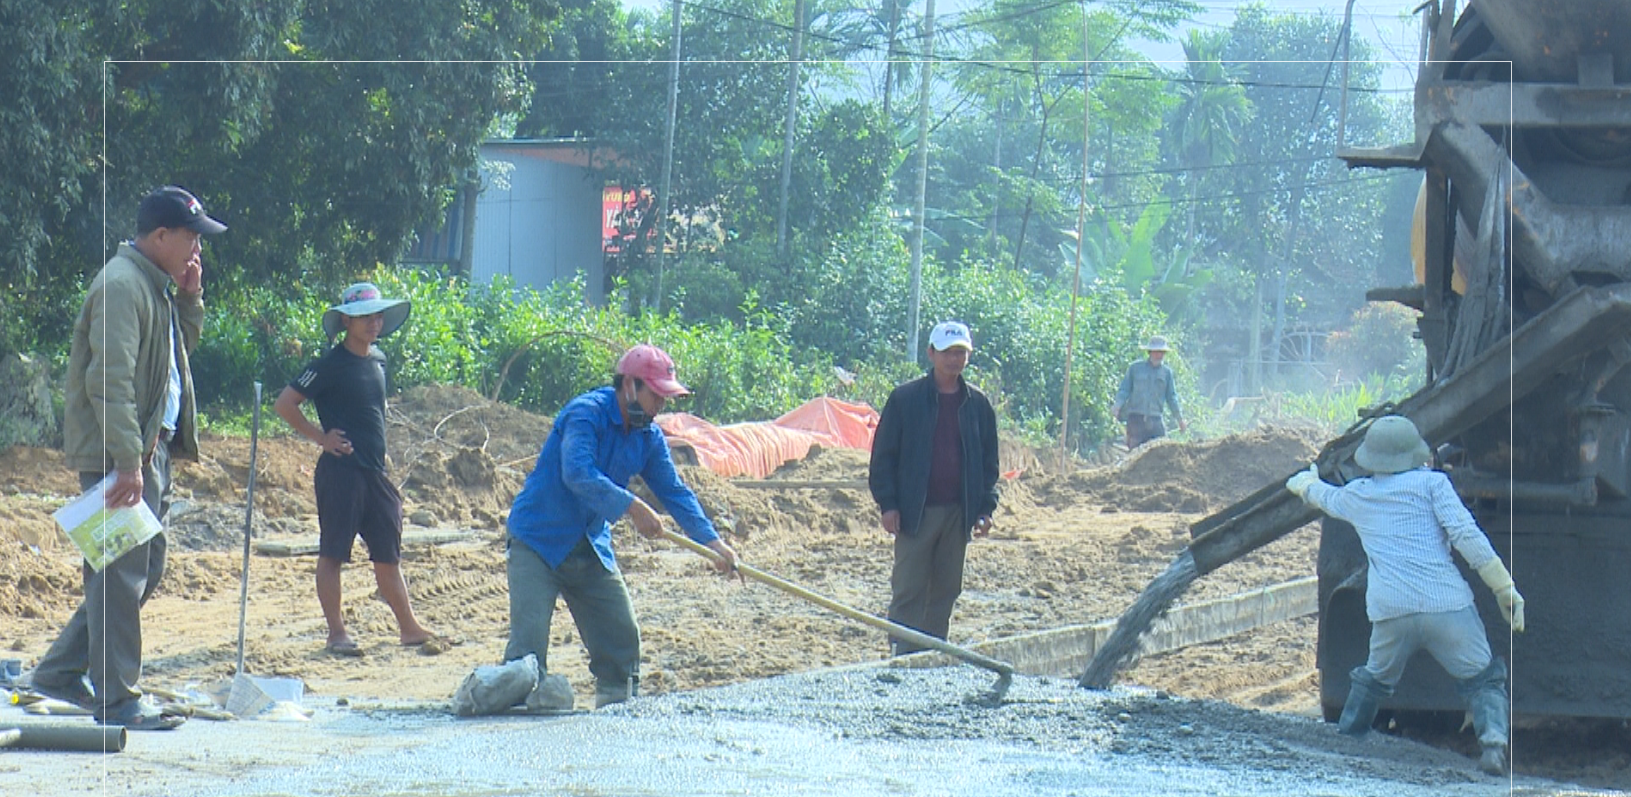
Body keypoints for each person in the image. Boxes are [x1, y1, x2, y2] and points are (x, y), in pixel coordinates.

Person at [29, 186, 227, 730]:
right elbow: (109, 383)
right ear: (160, 236)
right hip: (125, 454)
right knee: (120, 575)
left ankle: (58, 672)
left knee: (137, 568)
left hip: (145, 448)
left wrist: (189, 298)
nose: (197, 250)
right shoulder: (121, 286)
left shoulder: (153, 285)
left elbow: (174, 358)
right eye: (190, 238)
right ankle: (117, 700)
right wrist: (127, 463)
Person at [1285, 415, 1524, 775]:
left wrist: (1303, 482)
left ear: (1370, 458)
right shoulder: (1434, 485)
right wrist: (1504, 588)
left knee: (1374, 676)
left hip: (1391, 612)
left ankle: (1348, 738)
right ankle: (1492, 744)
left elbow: (1323, 496)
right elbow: (1466, 535)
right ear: (1416, 453)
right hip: (1447, 607)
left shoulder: (1358, 495)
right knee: (1483, 677)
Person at [503, 344, 739, 708]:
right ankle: (506, 715)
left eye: (665, 397)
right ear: (629, 386)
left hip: (588, 545)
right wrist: (631, 505)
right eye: (655, 395)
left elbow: (674, 491)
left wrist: (712, 542)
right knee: (527, 659)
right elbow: (577, 474)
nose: (661, 406)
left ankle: (616, 714)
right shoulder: (585, 415)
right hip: (538, 542)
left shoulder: (649, 437)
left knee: (622, 640)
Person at [274, 282, 435, 657]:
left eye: (378, 316)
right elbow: (285, 404)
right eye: (364, 317)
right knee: (333, 554)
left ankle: (409, 628)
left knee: (387, 553)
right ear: (346, 320)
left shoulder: (378, 360)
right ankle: (337, 633)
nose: (373, 323)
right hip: (340, 472)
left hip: (374, 473)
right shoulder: (328, 365)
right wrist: (320, 437)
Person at [868, 321, 1000, 655]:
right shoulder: (905, 400)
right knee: (909, 586)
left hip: (959, 511)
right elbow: (884, 457)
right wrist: (888, 504)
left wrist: (985, 508)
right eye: (947, 352)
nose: (954, 360)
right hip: (916, 510)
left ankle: (933, 652)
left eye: (960, 353)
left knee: (946, 587)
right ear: (931, 353)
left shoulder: (978, 405)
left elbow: (988, 464)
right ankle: (903, 651)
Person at [1111, 335, 1187, 449]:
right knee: (1135, 453)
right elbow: (1124, 389)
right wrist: (1117, 406)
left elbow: (1172, 398)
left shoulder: (1167, 373)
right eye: (1156, 352)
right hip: (1136, 419)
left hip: (1155, 419)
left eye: (1161, 352)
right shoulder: (1135, 369)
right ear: (1149, 352)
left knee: (1162, 451)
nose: (1159, 355)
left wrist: (1180, 420)